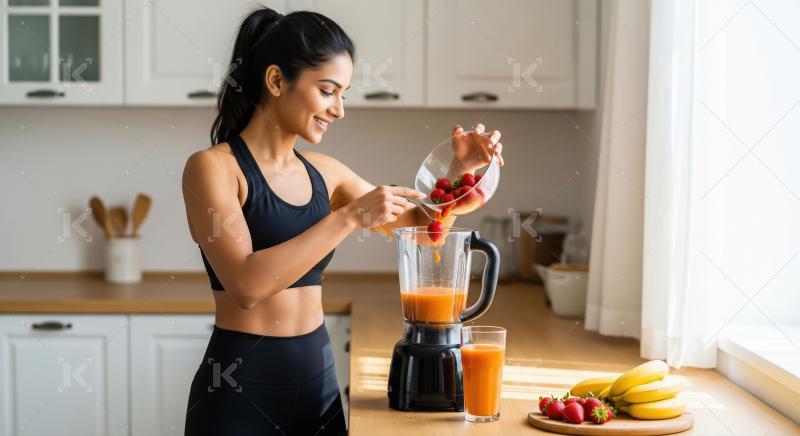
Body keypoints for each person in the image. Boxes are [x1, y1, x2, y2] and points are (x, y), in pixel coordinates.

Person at [181, 7, 503, 435]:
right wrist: (350, 216)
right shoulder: (212, 169)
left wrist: (462, 172)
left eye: (344, 94)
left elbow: (424, 230)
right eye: (328, 91)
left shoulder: (325, 172)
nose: (339, 110)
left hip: (318, 384)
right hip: (239, 390)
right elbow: (245, 285)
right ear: (276, 81)